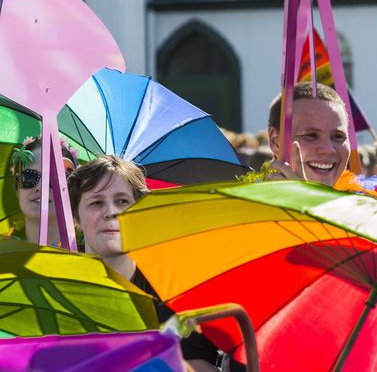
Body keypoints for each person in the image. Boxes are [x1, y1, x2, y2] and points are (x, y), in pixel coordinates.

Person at [68, 155, 226, 372]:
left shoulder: (174, 290)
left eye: (122, 201)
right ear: (75, 217)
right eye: (96, 203)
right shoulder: (51, 290)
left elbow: (201, 364)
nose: (111, 212)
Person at [266, 82, 350, 186]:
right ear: (276, 141)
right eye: (311, 135)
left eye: (338, 137)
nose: (328, 150)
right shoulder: (246, 200)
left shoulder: (364, 201)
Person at [9, 136, 78, 246]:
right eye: (28, 177)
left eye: (54, 177)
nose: (41, 187)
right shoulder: (3, 253)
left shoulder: (95, 253)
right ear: (17, 189)